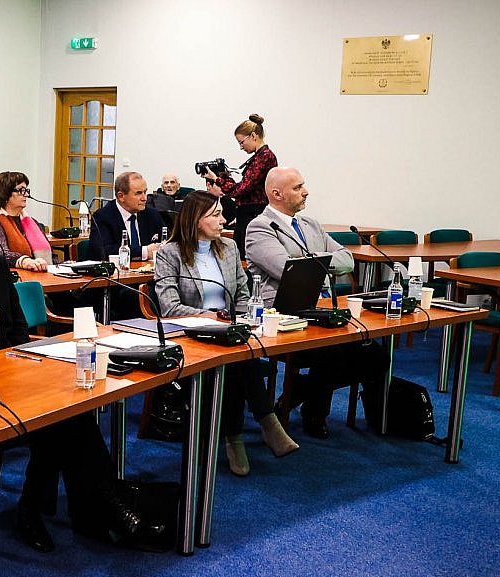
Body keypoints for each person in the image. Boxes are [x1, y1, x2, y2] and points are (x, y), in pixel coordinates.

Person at [0, 188, 151, 553]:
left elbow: (16, 329)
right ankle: (92, 505)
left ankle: (76, 505)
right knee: (62, 422)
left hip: (13, 375)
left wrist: (19, 362)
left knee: (70, 410)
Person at [153, 191, 299, 475]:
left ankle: (237, 437)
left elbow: (242, 293)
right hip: (190, 334)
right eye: (216, 215)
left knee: (238, 355)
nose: (223, 220)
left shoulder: (229, 248)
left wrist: (242, 317)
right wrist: (205, 316)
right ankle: (260, 424)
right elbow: (169, 307)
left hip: (229, 329)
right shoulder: (170, 254)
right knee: (239, 359)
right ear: (196, 221)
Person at [245, 167, 388, 439]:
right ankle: (314, 412)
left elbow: (347, 260)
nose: (306, 191)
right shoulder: (260, 227)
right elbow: (286, 270)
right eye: (298, 187)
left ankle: (300, 389)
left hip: (321, 311)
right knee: (331, 352)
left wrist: (313, 261)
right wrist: (321, 259)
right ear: (276, 194)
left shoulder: (310, 224)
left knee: (375, 355)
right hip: (283, 316)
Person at [202, 114, 277, 258]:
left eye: (241, 142)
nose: (241, 147)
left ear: (253, 136)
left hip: (253, 213)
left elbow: (240, 190)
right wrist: (223, 178)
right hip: (249, 213)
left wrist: (217, 179)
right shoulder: (260, 157)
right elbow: (243, 187)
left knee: (244, 255)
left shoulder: (264, 157)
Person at [91, 171, 166, 261]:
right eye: (138, 193)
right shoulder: (102, 217)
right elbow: (104, 251)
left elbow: (169, 241)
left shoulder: (152, 214)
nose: (144, 198)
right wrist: (144, 252)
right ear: (121, 196)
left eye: (145, 192)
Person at [0, 171, 51, 271]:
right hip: (12, 275)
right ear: (5, 193)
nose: (26, 195)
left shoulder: (32, 222)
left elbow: (51, 256)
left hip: (41, 272)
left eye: (26, 190)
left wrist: (64, 265)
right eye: (20, 190)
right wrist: (24, 261)